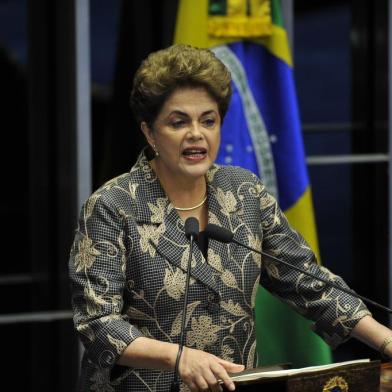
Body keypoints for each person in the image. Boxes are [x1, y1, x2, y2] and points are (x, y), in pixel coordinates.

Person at [69, 44, 392, 392]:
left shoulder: (243, 192)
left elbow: (309, 283)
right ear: (150, 133)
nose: (196, 133)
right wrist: (177, 357)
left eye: (208, 120)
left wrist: (387, 341)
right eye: (179, 122)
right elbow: (97, 322)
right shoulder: (113, 205)